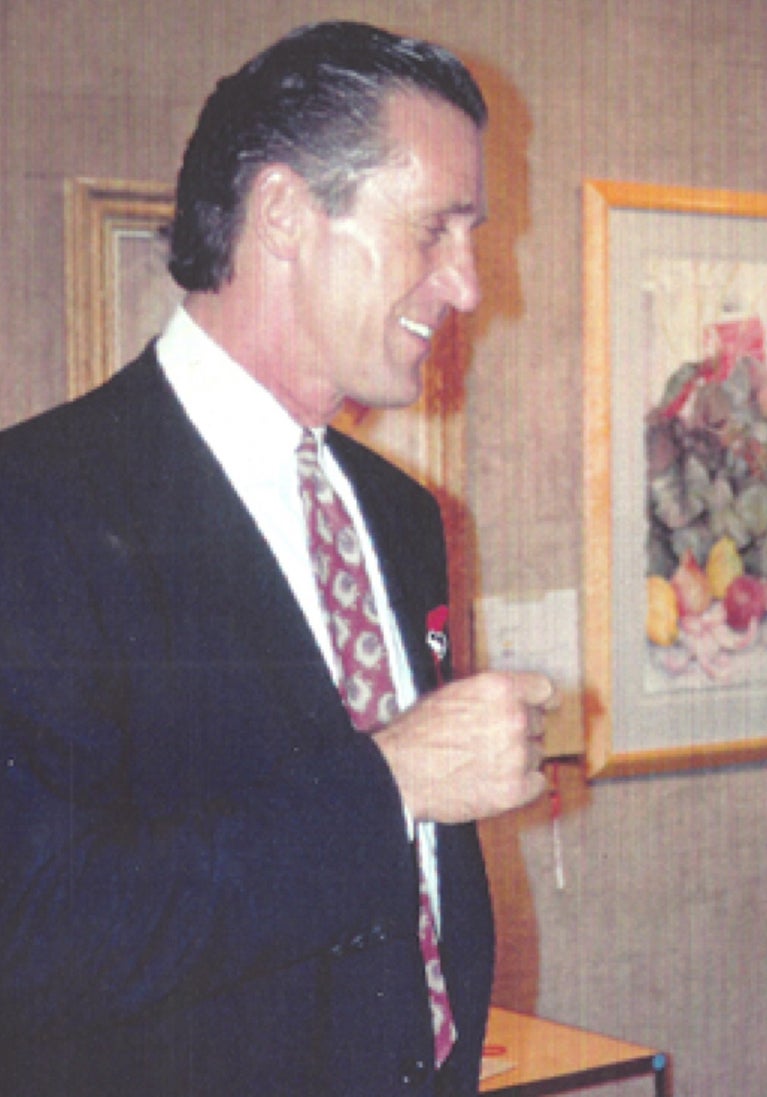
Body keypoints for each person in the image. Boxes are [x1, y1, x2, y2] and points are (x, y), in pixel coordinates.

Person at [0, 21, 555, 1097]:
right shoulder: (39, 508)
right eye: (435, 228)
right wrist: (391, 780)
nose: (468, 285)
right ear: (286, 214)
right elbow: (31, 928)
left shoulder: (398, 514)